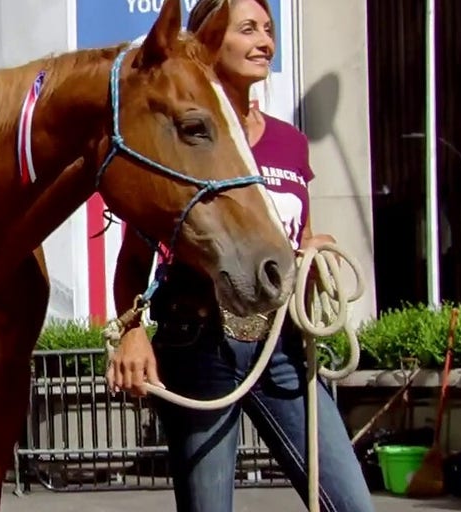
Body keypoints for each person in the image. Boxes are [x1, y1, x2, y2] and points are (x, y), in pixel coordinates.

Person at [105, 1, 376, 511]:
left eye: (269, 30)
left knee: (352, 505)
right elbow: (132, 261)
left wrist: (313, 256)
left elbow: (301, 235)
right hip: (201, 344)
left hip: (282, 351)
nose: (265, 42)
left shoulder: (290, 143)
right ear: (210, 40)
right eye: (248, 29)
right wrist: (131, 329)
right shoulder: (184, 139)